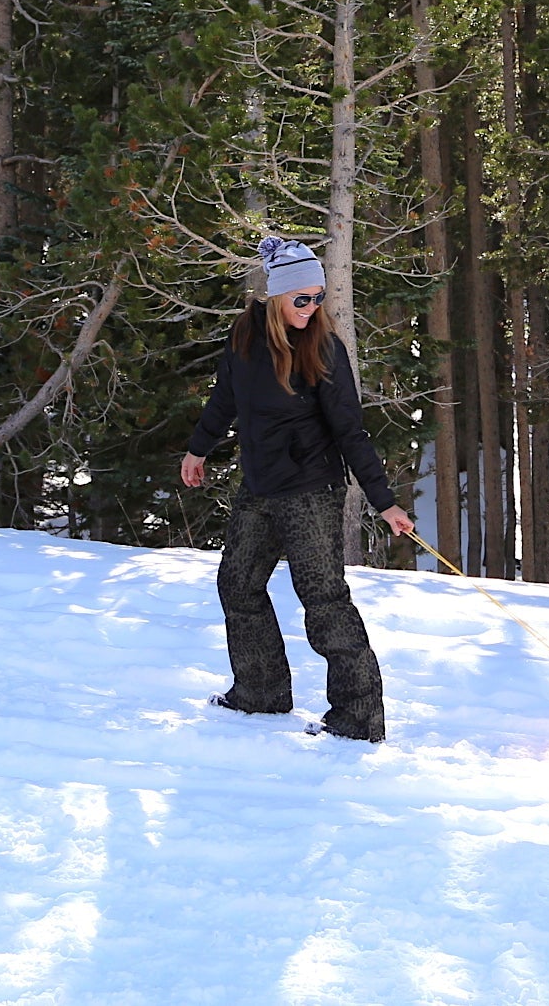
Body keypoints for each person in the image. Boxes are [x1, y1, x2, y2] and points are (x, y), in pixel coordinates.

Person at [179, 235, 414, 743]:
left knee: (324, 600)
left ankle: (357, 718)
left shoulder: (323, 347)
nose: (311, 308)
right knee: (238, 583)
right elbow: (225, 398)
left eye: (317, 298)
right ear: (275, 296)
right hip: (260, 486)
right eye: (300, 298)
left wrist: (384, 500)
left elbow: (351, 429)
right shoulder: (244, 338)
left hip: (311, 488)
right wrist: (198, 449)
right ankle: (260, 693)